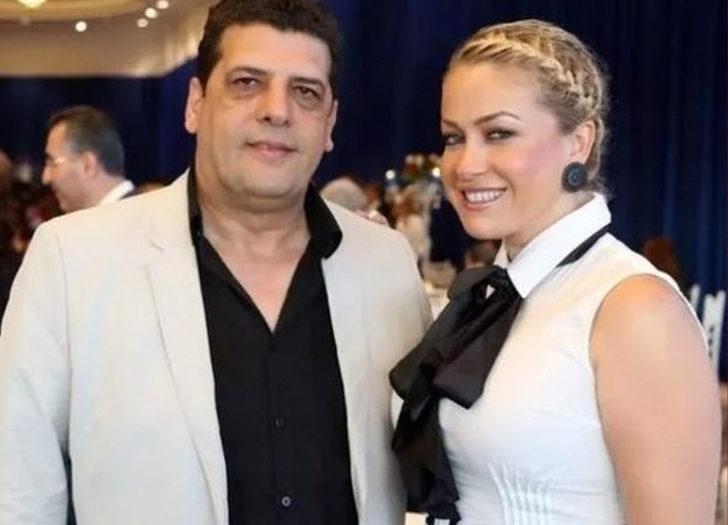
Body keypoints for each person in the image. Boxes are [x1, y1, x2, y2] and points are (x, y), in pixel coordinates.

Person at [0, 1, 430, 524]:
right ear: (194, 104)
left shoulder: (385, 264)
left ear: (330, 123)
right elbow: (18, 484)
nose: (277, 110)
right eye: (247, 83)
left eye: (305, 91)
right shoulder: (74, 261)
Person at [390, 19, 720, 525]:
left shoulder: (634, 308)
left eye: (499, 134)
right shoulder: (495, 295)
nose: (465, 164)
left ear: (579, 142)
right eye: (454, 137)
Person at [42, 105, 135, 212]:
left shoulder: (131, 218)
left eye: (52, 163)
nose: (45, 178)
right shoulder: (140, 211)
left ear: (88, 165)